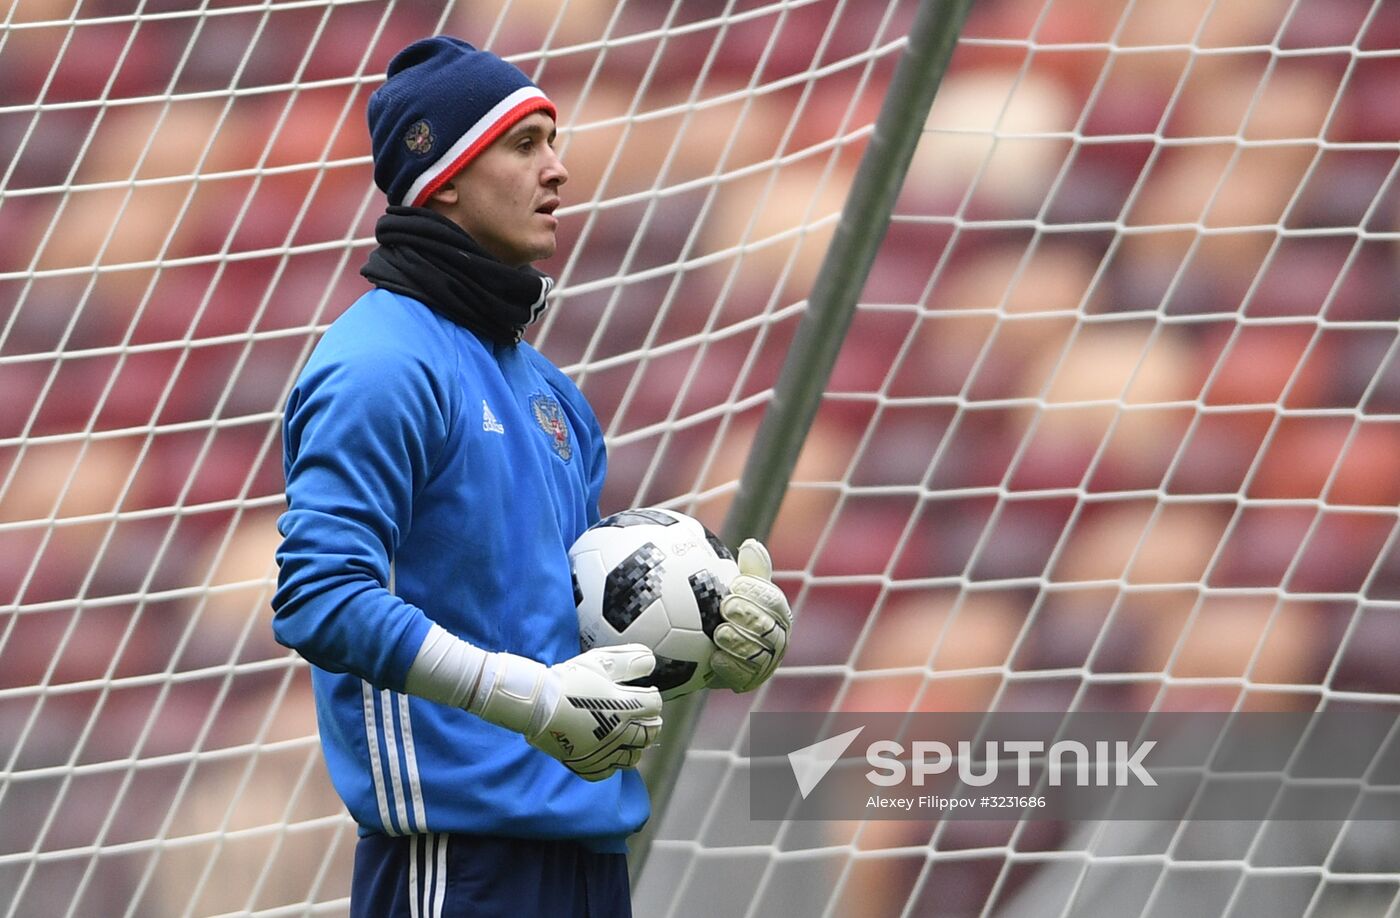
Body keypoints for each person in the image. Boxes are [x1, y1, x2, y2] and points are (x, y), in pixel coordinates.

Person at [271, 36, 793, 918]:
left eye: (555, 141)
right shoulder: (381, 363)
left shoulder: (552, 392)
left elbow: (565, 626)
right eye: (525, 145)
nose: (560, 171)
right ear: (440, 178)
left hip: (588, 849)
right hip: (460, 863)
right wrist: (530, 697)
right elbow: (319, 598)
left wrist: (710, 637)